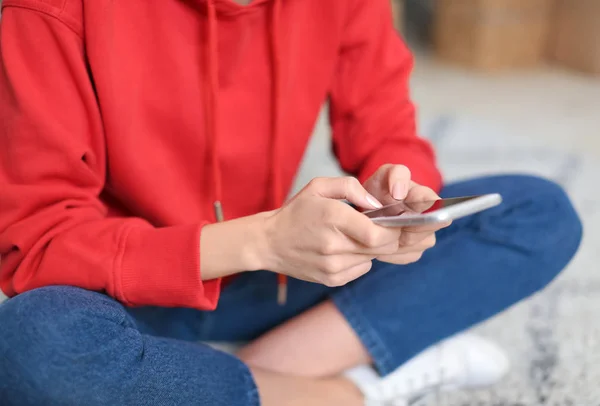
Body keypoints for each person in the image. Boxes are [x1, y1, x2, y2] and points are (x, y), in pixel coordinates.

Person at [0, 0, 583, 405]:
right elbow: (37, 240)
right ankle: (354, 391)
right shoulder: (49, 11)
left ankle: (230, 377)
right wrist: (262, 238)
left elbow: (385, 126)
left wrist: (401, 194)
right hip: (127, 288)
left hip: (278, 275)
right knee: (33, 347)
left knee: (539, 212)